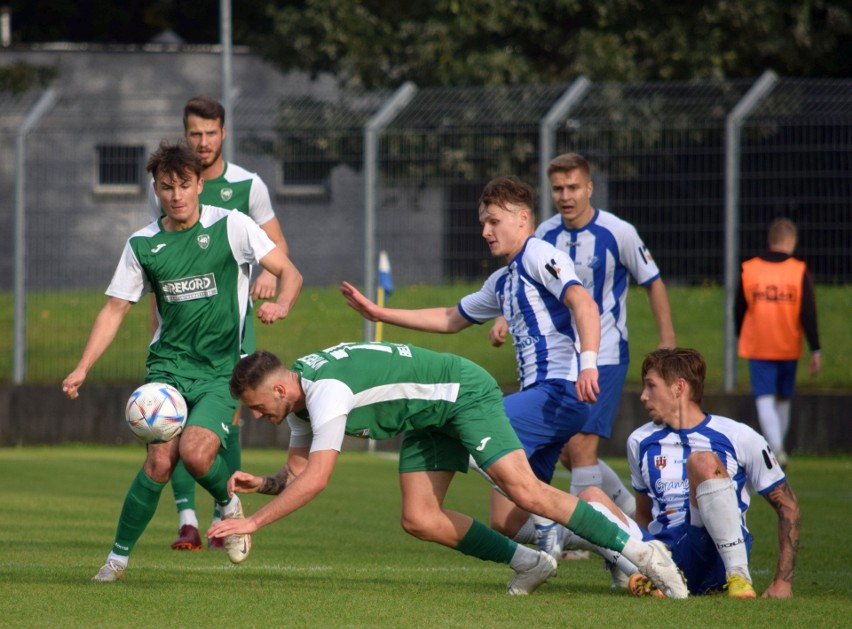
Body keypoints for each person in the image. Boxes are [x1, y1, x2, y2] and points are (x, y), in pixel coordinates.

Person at [207, 345, 689, 598]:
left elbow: (317, 479)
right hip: (425, 417)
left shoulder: (323, 391)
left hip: (460, 394)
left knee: (525, 491)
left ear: (275, 391)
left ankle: (646, 554)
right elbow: (297, 470)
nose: (252, 416)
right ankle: (532, 564)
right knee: (419, 517)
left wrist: (251, 522)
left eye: (252, 407)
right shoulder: (297, 397)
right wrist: (265, 485)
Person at [62, 141, 303, 582]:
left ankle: (228, 503)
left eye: (185, 185)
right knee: (158, 462)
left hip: (220, 372)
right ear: (155, 189)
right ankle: (116, 560)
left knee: (194, 454)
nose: (176, 195)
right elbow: (115, 309)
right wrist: (83, 367)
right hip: (168, 370)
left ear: (199, 186)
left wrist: (282, 303)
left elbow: (290, 272)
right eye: (166, 187)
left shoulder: (233, 226)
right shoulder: (143, 244)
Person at [341, 175, 604, 561]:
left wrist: (589, 364)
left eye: (494, 221)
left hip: (560, 390)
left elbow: (584, 303)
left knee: (463, 429)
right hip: (540, 397)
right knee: (506, 520)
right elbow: (451, 317)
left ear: (523, 218)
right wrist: (380, 313)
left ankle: (577, 527)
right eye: (483, 222)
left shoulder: (538, 254)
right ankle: (621, 544)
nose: (485, 231)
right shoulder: (502, 280)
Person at [490, 152, 675, 519]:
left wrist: (666, 338)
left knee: (581, 445)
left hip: (604, 353)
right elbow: (526, 283)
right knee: (566, 453)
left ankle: (583, 538)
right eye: (558, 188)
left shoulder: (617, 232)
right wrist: (504, 318)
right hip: (564, 357)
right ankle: (625, 511)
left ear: (589, 188)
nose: (565, 196)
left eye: (573, 186)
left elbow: (652, 282)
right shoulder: (544, 234)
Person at [148, 96, 293, 552]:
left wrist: (269, 275)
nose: (203, 142)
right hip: (178, 324)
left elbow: (277, 247)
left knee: (226, 417)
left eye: (211, 133)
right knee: (173, 420)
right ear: (185, 135)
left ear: (223, 133)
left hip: (231, 323)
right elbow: (158, 257)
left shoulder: (248, 186)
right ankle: (188, 520)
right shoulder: (173, 183)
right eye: (195, 133)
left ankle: (222, 510)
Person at [553, 348, 800, 598]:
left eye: (651, 386)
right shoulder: (640, 441)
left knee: (701, 462)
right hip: (665, 553)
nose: (643, 396)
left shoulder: (739, 436)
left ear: (678, 388)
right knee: (590, 497)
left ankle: (738, 577)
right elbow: (643, 514)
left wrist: (783, 581)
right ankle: (641, 575)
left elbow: (787, 505)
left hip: (713, 554)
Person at [735, 217, 820, 468]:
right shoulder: (798, 270)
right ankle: (778, 450)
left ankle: (777, 450)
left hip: (759, 343)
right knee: (782, 399)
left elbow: (738, 308)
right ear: (790, 240)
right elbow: (808, 312)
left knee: (765, 397)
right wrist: (815, 347)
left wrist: (740, 333)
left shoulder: (750, 269)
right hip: (788, 343)